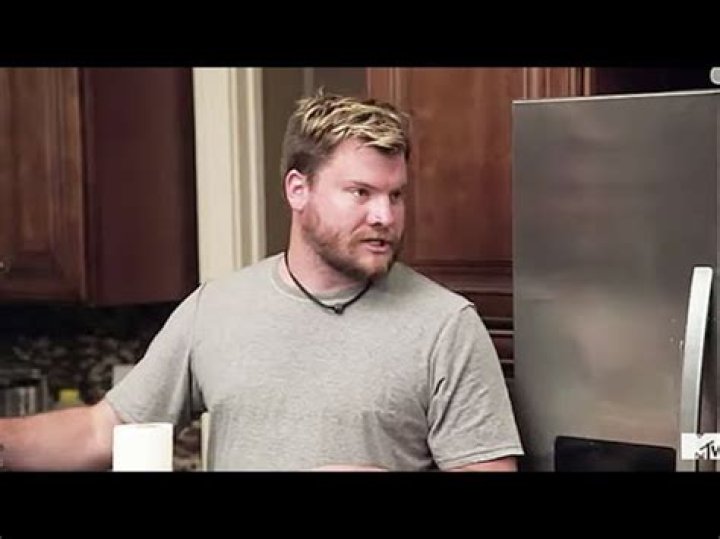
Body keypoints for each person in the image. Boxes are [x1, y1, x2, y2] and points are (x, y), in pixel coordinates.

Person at [0, 91, 523, 471]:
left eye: (396, 195)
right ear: (298, 189)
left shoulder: (445, 326)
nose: (385, 216)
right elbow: (103, 431)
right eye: (361, 193)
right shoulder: (216, 308)